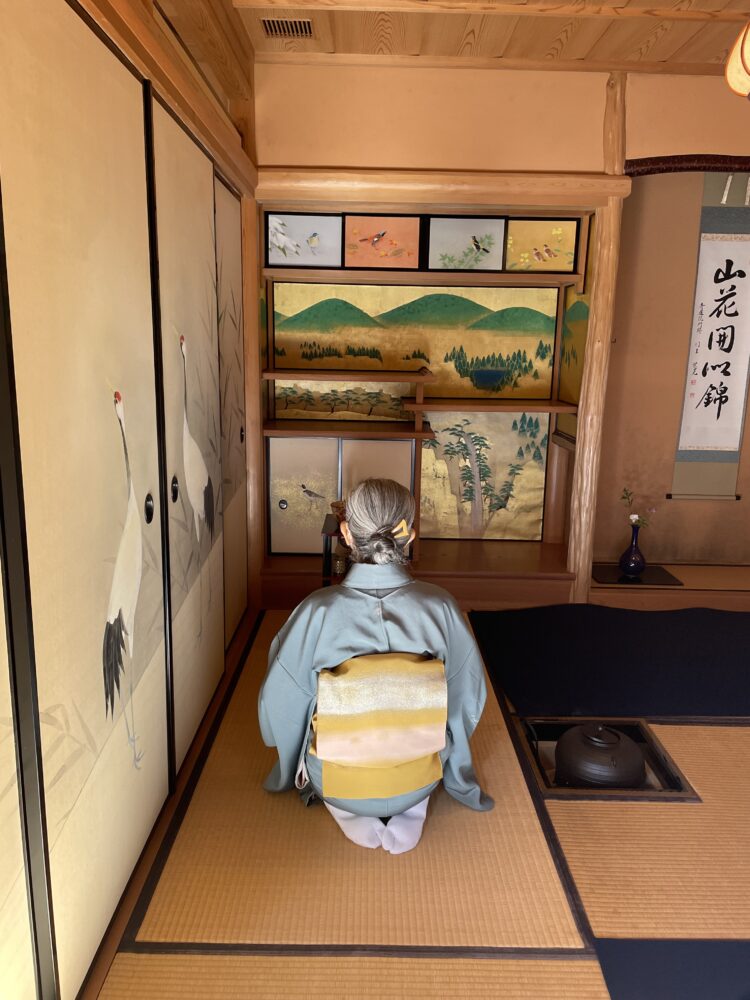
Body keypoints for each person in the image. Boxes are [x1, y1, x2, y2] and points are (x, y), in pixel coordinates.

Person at [258, 477, 493, 855]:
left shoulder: (316, 611)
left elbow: (280, 703)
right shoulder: (441, 606)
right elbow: (467, 698)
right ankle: (410, 803)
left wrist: (288, 761)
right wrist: (453, 760)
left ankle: (350, 809)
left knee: (312, 740)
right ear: (410, 536)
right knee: (421, 758)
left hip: (336, 775)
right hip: (420, 770)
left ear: (347, 534)